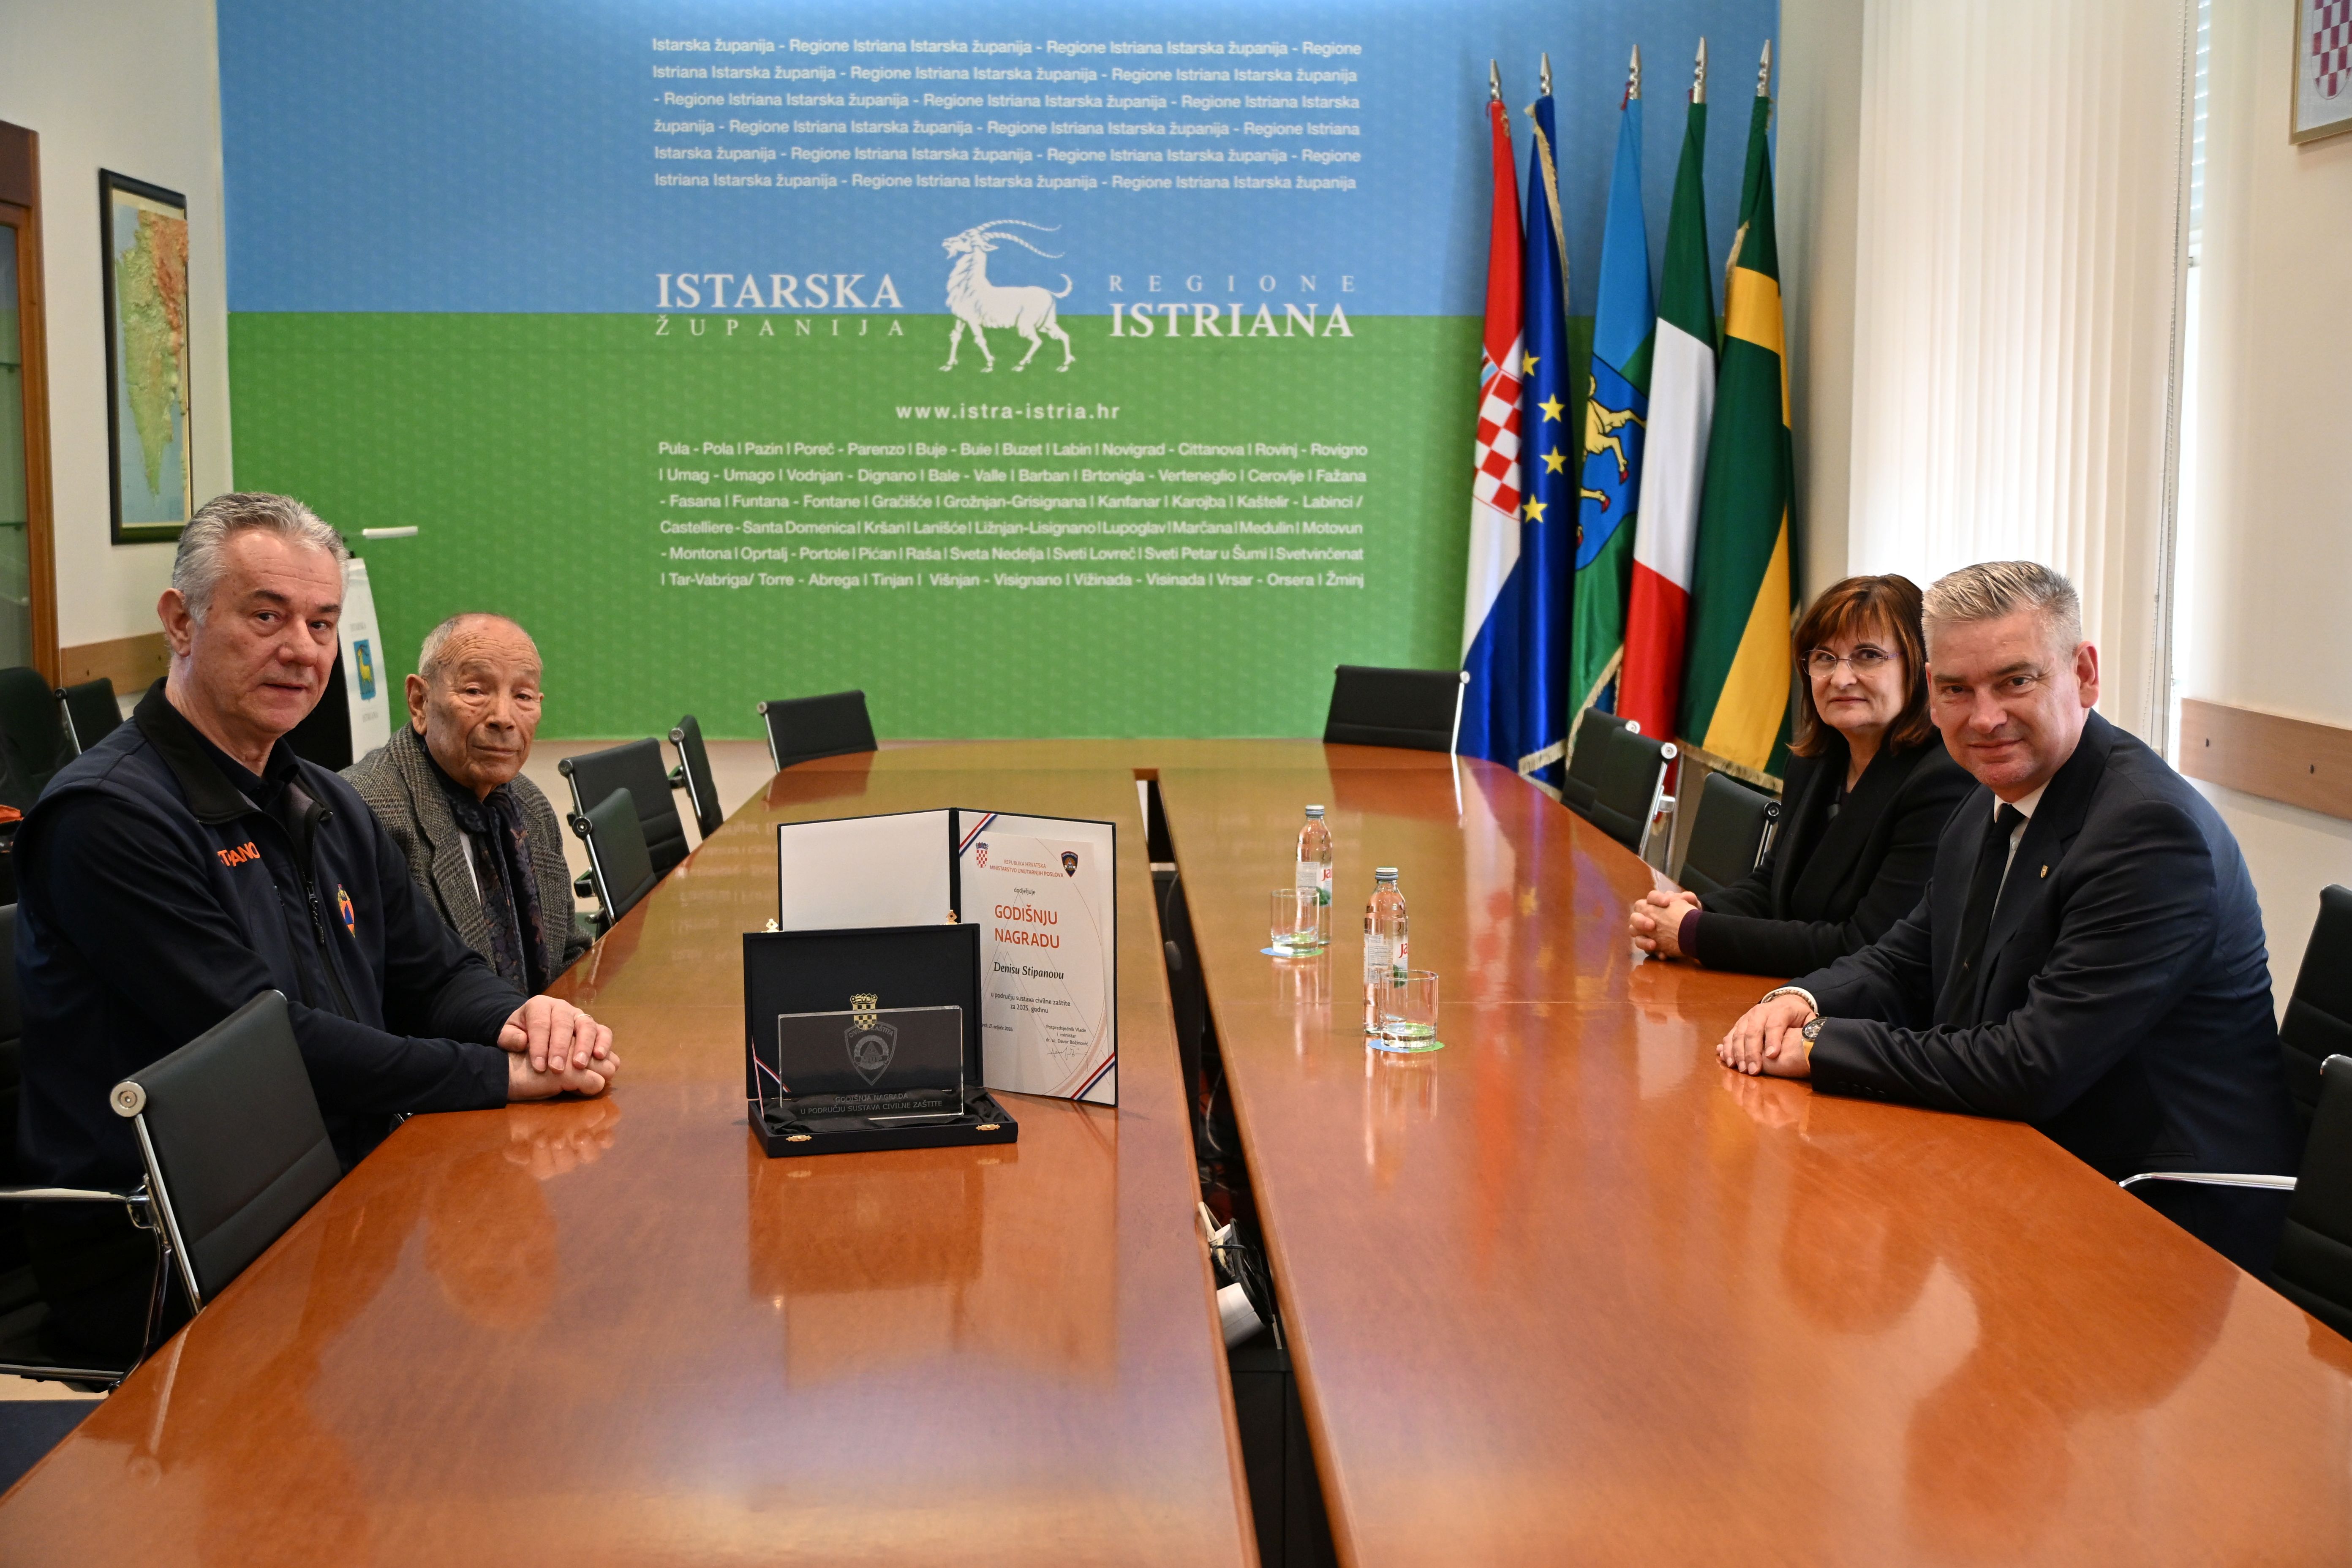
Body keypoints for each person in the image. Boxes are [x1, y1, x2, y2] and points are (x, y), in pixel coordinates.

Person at [13, 492, 618, 1358]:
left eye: (322, 623)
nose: (302, 648)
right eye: (267, 616)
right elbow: (268, 1045)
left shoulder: (321, 798)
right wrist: (496, 1073)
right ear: (181, 622)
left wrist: (523, 1019)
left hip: (335, 1180)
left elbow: (434, 973)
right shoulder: (107, 819)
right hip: (172, 1241)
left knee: (554, 1303)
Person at [1715, 561, 2296, 1271]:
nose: (1984, 718)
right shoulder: (1990, 793)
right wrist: (1801, 999)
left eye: (2016, 681)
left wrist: (1821, 1044)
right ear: (1931, 693)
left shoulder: (2148, 833)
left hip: (2159, 1216)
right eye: (1957, 689)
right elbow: (1906, 957)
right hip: (2022, 1160)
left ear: (2083, 674)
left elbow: (2031, 1065)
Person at [1628, 574, 1970, 974]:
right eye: (1824, 658)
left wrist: (1693, 933)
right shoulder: (1815, 762)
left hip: (1864, 1005)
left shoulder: (1942, 780)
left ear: (1920, 669)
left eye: (1868, 656)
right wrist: (1694, 909)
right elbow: (1773, 885)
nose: (1841, 679)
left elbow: (1865, 945)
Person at [345, 613, 589, 993]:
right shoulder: (364, 813)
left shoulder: (529, 805)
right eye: (475, 691)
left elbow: (568, 952)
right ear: (420, 702)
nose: (503, 718)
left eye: (523, 696)